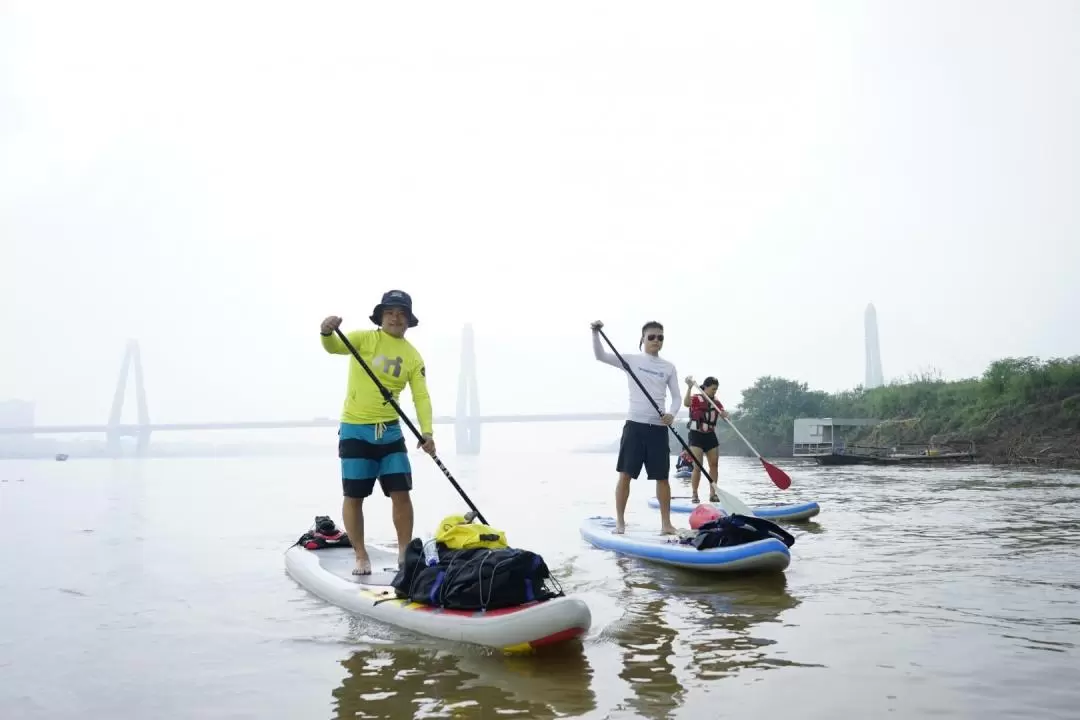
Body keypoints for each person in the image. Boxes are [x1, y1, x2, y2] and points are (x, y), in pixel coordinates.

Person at [320, 290, 436, 576]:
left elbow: (421, 396)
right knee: (355, 495)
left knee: (401, 492)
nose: (396, 318)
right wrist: (326, 331)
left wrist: (427, 432)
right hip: (355, 430)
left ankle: (404, 555)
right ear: (381, 317)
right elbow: (334, 347)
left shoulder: (412, 356)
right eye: (390, 313)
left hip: (391, 433)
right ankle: (360, 555)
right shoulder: (364, 339)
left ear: (409, 320)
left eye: (401, 314)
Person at [591, 320, 681, 535]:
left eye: (660, 337)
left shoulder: (668, 367)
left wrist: (671, 414)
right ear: (642, 339)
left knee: (663, 478)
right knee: (625, 475)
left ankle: (666, 524)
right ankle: (620, 522)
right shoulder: (631, 360)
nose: (656, 341)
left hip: (658, 429)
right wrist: (595, 333)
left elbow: (677, 397)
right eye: (651, 337)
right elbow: (600, 356)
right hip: (635, 427)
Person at [682, 376, 730, 504]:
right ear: (706, 387)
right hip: (696, 435)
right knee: (698, 466)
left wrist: (726, 415)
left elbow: (724, 416)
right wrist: (689, 387)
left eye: (716, 389)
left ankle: (713, 494)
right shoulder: (696, 398)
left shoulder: (716, 402)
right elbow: (686, 404)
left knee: (714, 465)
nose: (715, 392)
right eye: (713, 389)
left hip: (710, 436)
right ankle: (694, 494)